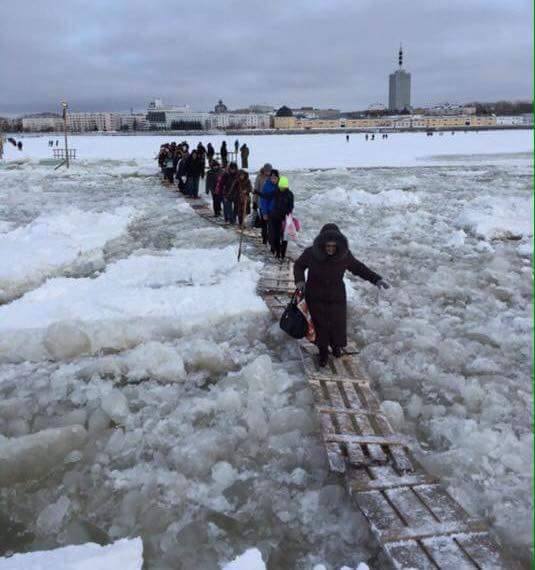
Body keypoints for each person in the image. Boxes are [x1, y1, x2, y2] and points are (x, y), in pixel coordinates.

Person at [294, 224, 389, 367]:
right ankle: (323, 352)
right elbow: (299, 265)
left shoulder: (344, 255)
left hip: (336, 296)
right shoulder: (310, 253)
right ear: (321, 244)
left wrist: (376, 279)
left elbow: (359, 268)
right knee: (320, 325)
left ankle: (336, 346)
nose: (331, 249)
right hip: (315, 295)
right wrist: (300, 280)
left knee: (337, 324)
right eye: (328, 246)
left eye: (334, 246)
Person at [269, 176, 294, 259]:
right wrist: (257, 192)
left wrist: (285, 213)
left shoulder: (290, 194)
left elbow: (291, 207)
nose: (281, 188)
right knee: (275, 236)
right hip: (275, 217)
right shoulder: (276, 192)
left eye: (283, 187)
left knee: (284, 237)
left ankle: (282, 254)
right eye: (280, 187)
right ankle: (277, 252)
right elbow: (267, 196)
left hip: (285, 218)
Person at [257, 169, 279, 246]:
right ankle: (264, 240)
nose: (273, 180)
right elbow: (263, 200)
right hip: (266, 210)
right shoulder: (266, 186)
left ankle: (272, 243)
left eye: (275, 178)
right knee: (265, 226)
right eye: (272, 178)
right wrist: (264, 213)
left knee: (273, 228)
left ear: (278, 178)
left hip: (275, 211)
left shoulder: (280, 186)